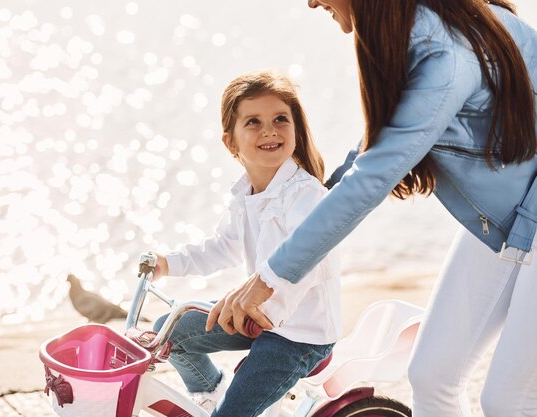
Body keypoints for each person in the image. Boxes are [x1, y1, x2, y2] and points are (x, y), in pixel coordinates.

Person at [206, 1, 537, 416]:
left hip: (528, 216)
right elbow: (371, 152)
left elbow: (373, 178)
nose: (311, 2)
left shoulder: (443, 52)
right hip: (517, 217)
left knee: (509, 399)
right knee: (432, 377)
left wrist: (270, 275)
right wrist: (298, 211)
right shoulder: (418, 32)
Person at [151, 70, 341, 417]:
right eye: (253, 122)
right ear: (231, 142)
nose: (270, 130)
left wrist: (255, 310)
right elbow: (222, 247)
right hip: (256, 316)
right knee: (167, 332)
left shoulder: (306, 196)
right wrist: (168, 263)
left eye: (281, 119)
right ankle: (211, 391)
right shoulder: (245, 195)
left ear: (296, 129)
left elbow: (308, 267)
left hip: (299, 335)